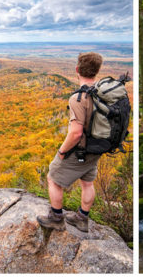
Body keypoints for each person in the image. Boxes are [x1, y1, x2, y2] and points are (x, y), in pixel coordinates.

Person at [37, 52, 104, 232]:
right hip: (98, 148)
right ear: (97, 70)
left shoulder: (78, 98)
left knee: (53, 177)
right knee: (87, 183)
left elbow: (75, 133)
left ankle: (56, 218)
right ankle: (82, 218)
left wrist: (61, 152)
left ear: (77, 70)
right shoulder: (104, 93)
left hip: (81, 149)